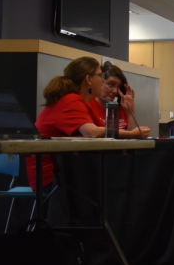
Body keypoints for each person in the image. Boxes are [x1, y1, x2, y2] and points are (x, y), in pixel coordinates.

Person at [29, 57, 109, 189]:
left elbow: (103, 133)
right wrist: (129, 134)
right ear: (89, 79)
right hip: (51, 180)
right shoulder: (71, 100)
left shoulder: (82, 103)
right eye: (100, 75)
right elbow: (92, 133)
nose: (103, 80)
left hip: (64, 174)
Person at [85, 63, 150, 139]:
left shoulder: (118, 108)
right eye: (111, 84)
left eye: (118, 87)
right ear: (100, 82)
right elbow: (92, 133)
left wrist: (130, 110)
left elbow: (133, 137)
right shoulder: (88, 105)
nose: (115, 91)